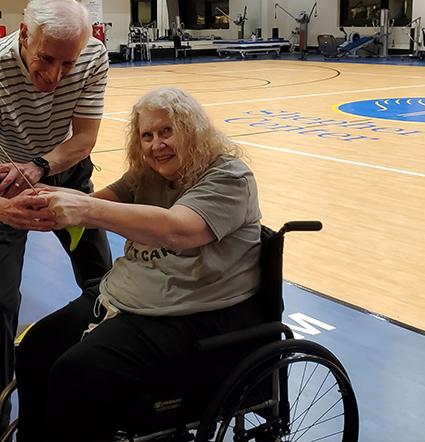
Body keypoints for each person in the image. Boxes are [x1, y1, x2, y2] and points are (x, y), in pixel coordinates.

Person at [15, 87, 267, 441]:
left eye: (167, 131)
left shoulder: (229, 177)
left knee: (76, 374)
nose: (155, 144)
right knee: (35, 348)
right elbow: (91, 205)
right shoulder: (146, 176)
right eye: (146, 135)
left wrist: (85, 210)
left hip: (193, 314)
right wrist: (33, 192)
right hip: (128, 298)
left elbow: (179, 231)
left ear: (192, 130)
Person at [0, 0, 113, 441]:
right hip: (0, 185)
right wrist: (6, 209)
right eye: (46, 59)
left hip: (64, 176)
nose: (56, 76)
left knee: (107, 285)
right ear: (23, 35)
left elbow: (86, 138)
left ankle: (107, 393)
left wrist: (40, 166)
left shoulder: (92, 55)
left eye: (67, 64)